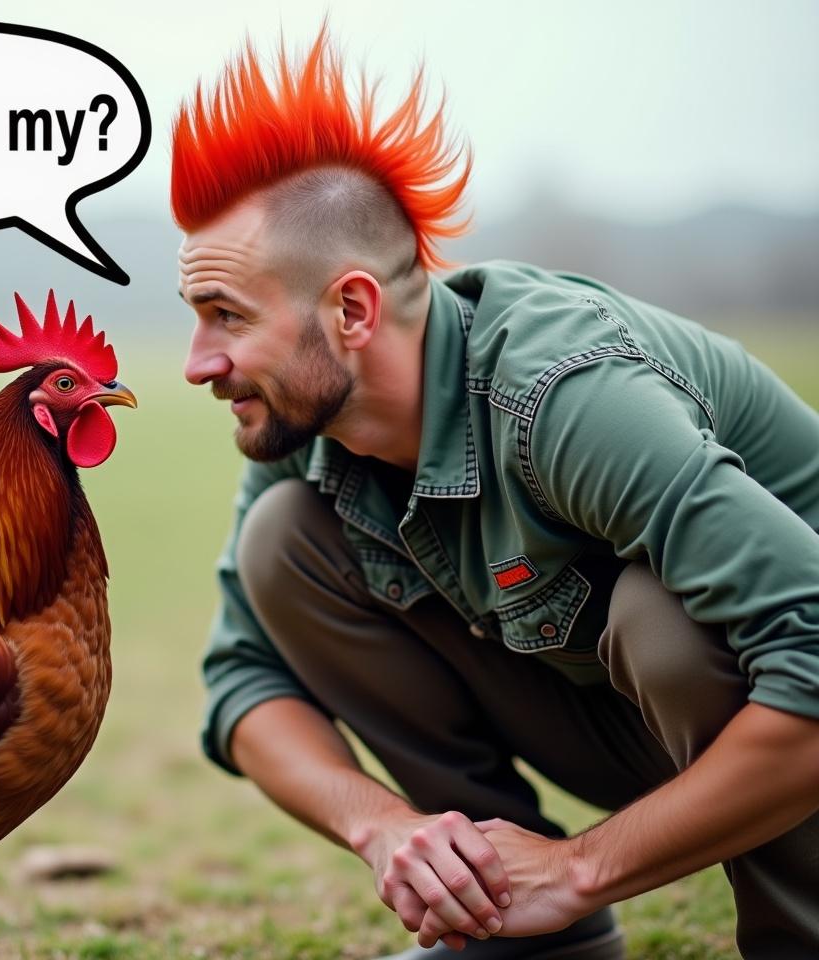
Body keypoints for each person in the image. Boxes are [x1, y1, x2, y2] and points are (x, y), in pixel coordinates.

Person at [172, 27, 819, 960]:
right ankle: (509, 928)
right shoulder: (305, 425)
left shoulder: (564, 394)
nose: (199, 364)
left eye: (225, 316)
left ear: (351, 311)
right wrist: (387, 829)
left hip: (788, 716)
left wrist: (577, 868)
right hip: (640, 731)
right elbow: (242, 681)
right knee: (282, 540)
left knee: (663, 622)